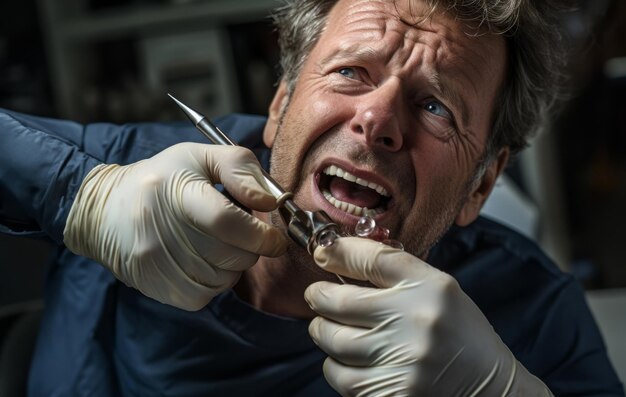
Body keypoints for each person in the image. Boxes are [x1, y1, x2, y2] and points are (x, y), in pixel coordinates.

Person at [0, 0, 624, 395]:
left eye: (435, 105)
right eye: (352, 72)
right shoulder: (142, 171)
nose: (377, 120)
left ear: (480, 185)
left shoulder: (530, 310)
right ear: (279, 105)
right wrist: (79, 195)